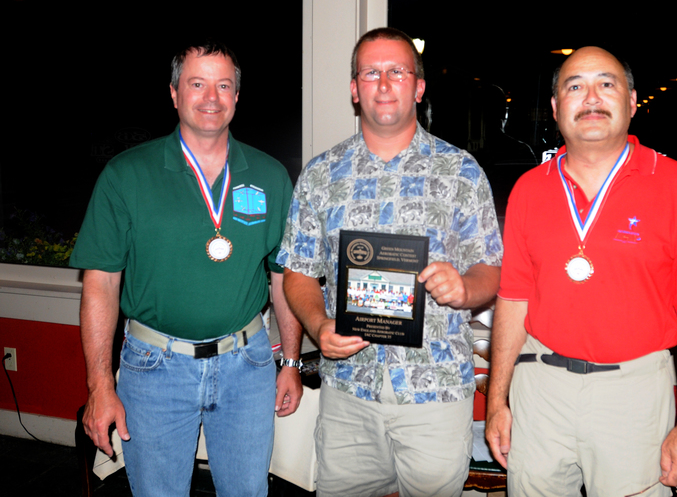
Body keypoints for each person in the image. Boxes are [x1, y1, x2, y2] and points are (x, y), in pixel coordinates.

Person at [485, 46, 677, 497]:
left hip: (633, 395)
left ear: (632, 102)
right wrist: (497, 401)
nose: (591, 97)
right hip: (539, 390)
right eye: (575, 86)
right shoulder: (529, 189)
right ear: (556, 107)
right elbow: (514, 301)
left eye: (606, 84)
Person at [70, 40, 304, 496]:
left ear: (237, 96)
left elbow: (284, 277)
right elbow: (101, 284)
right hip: (154, 368)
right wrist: (99, 385)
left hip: (247, 366)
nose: (211, 97)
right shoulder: (126, 174)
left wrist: (291, 362)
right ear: (175, 93)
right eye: (197, 84)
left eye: (224, 86)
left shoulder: (270, 175)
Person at [277, 27, 503, 497]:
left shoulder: (461, 172)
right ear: (354, 89)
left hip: (435, 391)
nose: (383, 84)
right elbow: (297, 271)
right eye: (370, 73)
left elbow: (491, 269)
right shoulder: (320, 175)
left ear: (418, 87)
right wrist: (318, 326)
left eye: (397, 72)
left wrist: (465, 288)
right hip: (349, 395)